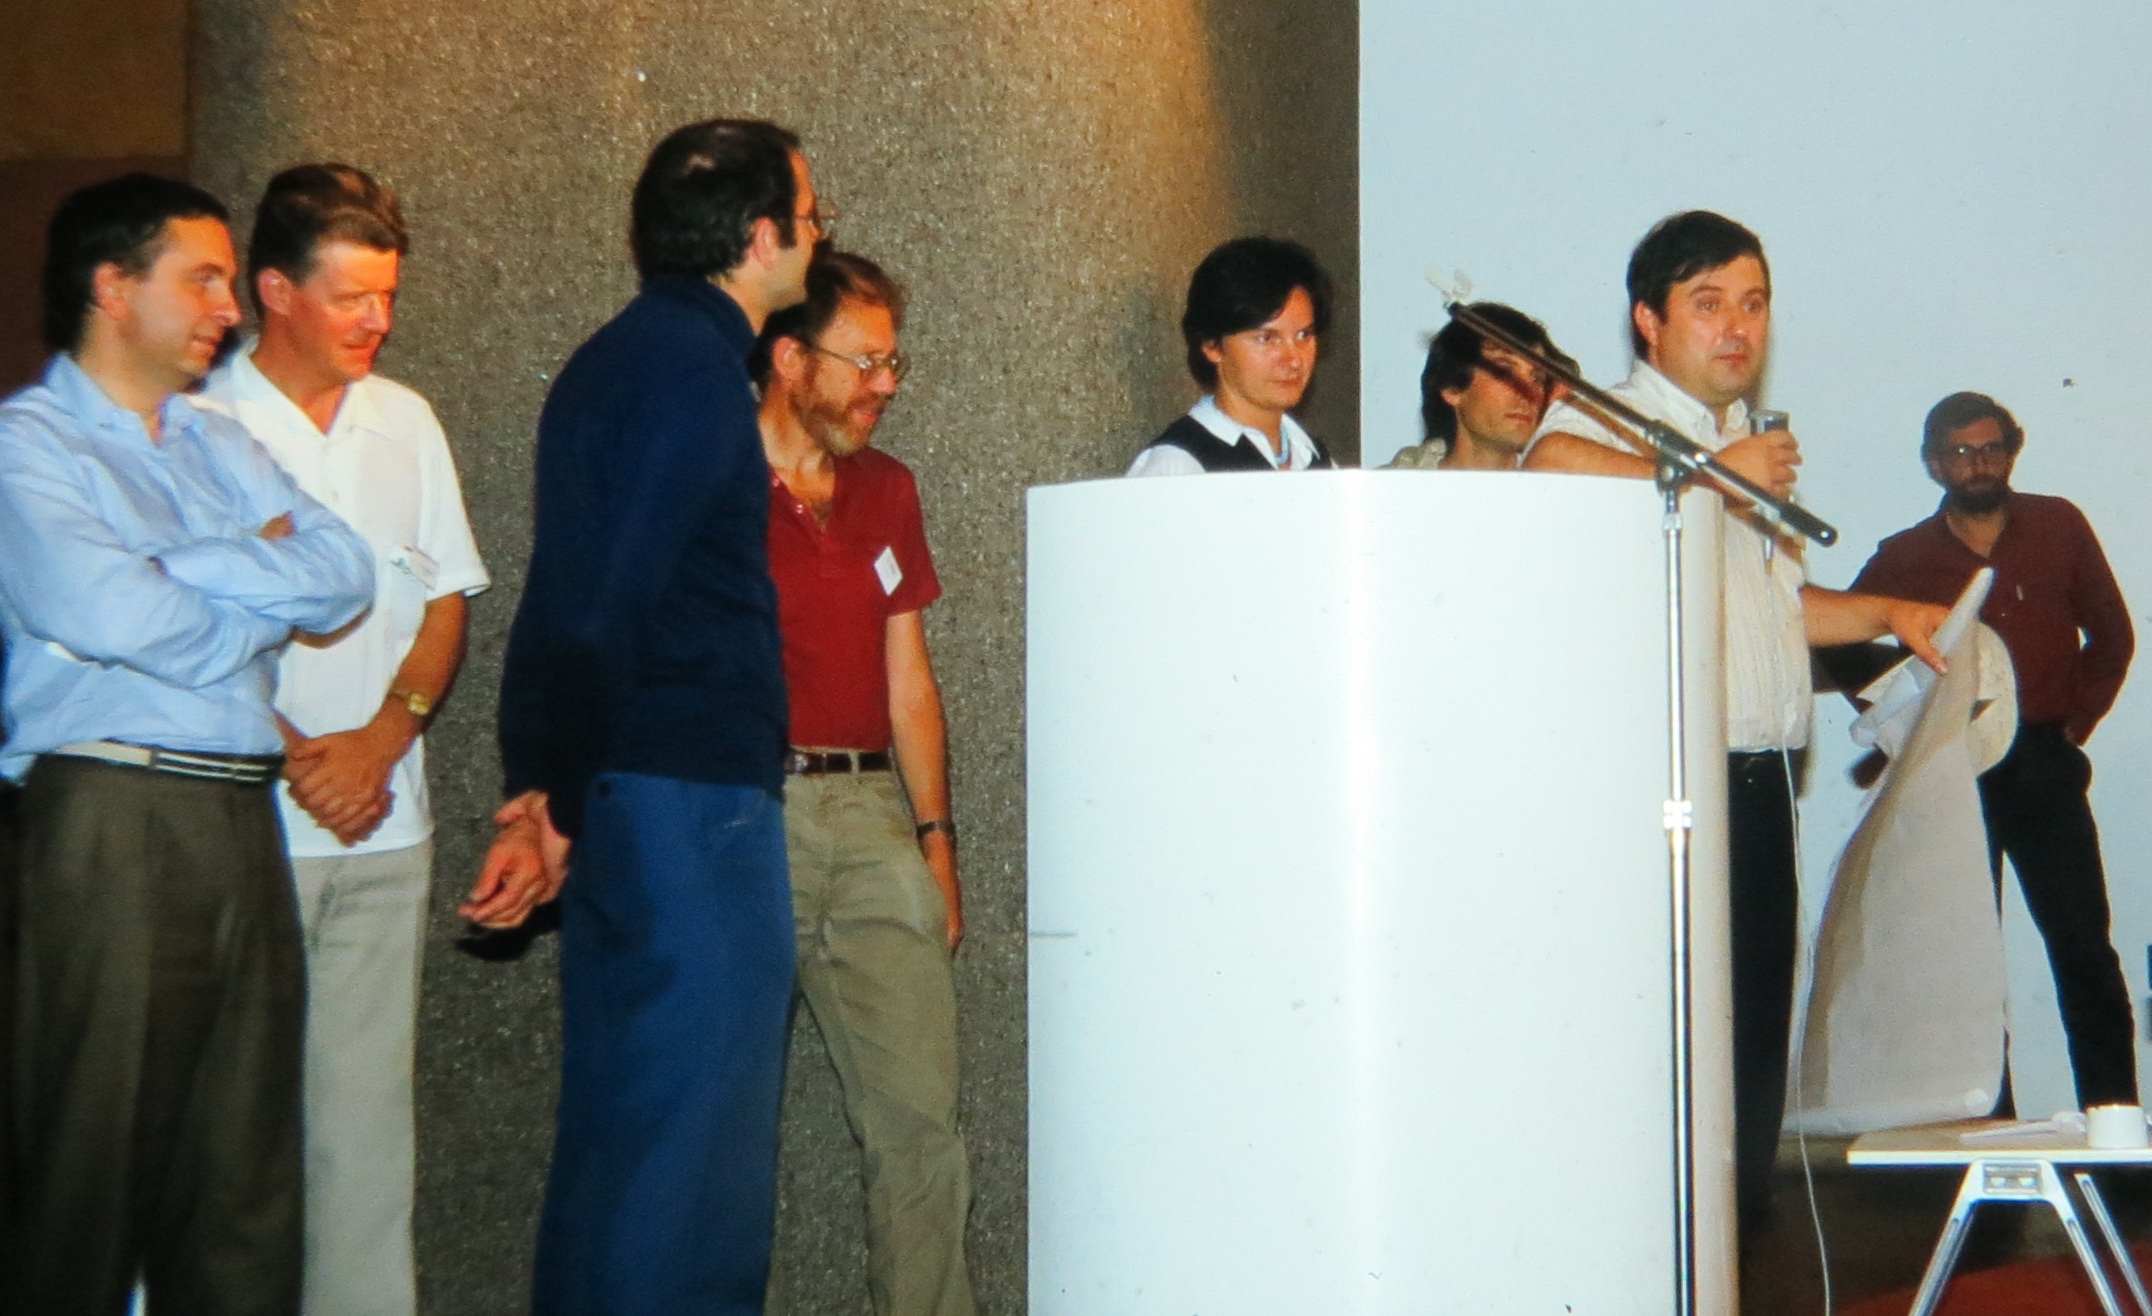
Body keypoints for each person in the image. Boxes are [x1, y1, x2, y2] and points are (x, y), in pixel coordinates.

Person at [1523, 210, 1946, 1231]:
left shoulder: (1742, 444)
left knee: (1754, 1032)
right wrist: (1714, 475)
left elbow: (1772, 611)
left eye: (1753, 304)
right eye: (1707, 304)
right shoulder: (1616, 425)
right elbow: (1546, 467)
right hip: (1665, 787)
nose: (1737, 327)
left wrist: (1887, 612)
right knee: (1674, 1041)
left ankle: (1740, 1247)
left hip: (1760, 781)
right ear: (1648, 321)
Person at [0, 173, 373, 1314]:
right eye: (203, 278)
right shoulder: (27, 446)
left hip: (240, 815)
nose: (228, 306)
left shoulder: (219, 441)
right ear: (113, 287)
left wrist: (182, 567)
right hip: (111, 815)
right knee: (87, 1175)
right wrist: (250, 587)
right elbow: (108, 612)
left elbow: (344, 573)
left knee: (243, 1187)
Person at [476, 118, 826, 1315]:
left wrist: (541, 784)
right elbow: (601, 606)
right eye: (809, 215)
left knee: (625, 1135)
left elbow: (560, 600)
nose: (817, 236)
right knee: (694, 1155)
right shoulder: (689, 373)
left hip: (635, 794)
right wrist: (557, 798)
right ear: (759, 236)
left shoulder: (614, 360)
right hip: (689, 806)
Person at [197, 162, 490, 1316]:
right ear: (275, 291)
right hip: (245, 826)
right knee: (226, 1135)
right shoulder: (199, 421)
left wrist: (382, 736)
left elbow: (445, 595)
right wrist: (300, 754)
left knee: (366, 1138)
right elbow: (177, 624)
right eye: (351, 296)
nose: (377, 319)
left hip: (385, 825)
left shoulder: (403, 419)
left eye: (388, 296)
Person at [752, 249, 974, 1316]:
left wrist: (935, 839)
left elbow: (909, 681)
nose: (885, 384)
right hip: (744, 814)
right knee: (721, 1120)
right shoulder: (708, 476)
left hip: (871, 813)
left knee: (920, 1122)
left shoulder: (888, 489)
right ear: (790, 358)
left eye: (894, 362)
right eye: (864, 362)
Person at [1851, 391, 2138, 1111]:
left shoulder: (2060, 525)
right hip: (1953, 771)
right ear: (1933, 463)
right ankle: (1985, 1126)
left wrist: (2076, 721)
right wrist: (1904, 725)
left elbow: (2113, 636)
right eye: (1959, 452)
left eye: (1990, 448)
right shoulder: (1904, 556)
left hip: (2044, 763)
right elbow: (1843, 645)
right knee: (1965, 965)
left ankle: (2114, 1125)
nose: (1977, 464)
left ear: (2011, 450)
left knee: (2084, 949)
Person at [1126, 237, 1337, 475]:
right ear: (1212, 345)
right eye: (1267, 338)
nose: (1294, 360)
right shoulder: (1179, 466)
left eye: (1304, 335)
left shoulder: (1315, 458)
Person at [1387, 302, 1567, 470]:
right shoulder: (1393, 486)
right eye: (1504, 372)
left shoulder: (1558, 484)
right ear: (1452, 389)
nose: (1529, 392)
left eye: (1537, 378)